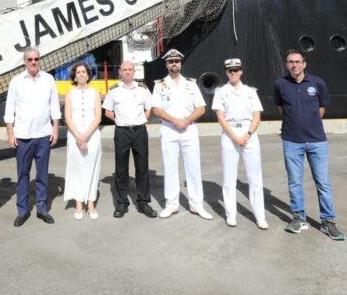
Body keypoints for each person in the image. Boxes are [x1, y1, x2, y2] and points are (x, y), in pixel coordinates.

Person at [274, 49, 345, 241]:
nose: (294, 65)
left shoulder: (317, 83)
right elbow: (282, 108)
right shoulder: (280, 84)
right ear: (287, 64)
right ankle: (299, 217)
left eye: (298, 61)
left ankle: (328, 222)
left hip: (317, 141)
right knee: (295, 182)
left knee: (323, 183)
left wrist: (309, 123)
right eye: (290, 62)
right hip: (291, 141)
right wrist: (295, 124)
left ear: (304, 64)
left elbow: (322, 107)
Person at [151, 49, 213, 220]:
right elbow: (156, 109)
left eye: (177, 61)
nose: (174, 64)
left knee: (193, 167)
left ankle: (197, 205)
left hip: (189, 130)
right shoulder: (159, 85)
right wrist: (175, 121)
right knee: (169, 168)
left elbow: (201, 108)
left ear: (181, 63)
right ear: (166, 64)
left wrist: (185, 121)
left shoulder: (191, 84)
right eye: (170, 61)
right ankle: (171, 205)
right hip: (169, 130)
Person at [4, 47, 61, 227]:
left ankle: (42, 209)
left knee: (42, 174)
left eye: (36, 59)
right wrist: (10, 132)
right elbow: (9, 108)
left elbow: (54, 106)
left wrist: (56, 129)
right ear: (25, 61)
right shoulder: (16, 81)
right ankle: (22, 210)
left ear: (39, 59)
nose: (33, 62)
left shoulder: (48, 79)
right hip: (23, 136)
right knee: (22, 174)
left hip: (43, 134)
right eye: (30, 59)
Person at [212, 58, 268, 229]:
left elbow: (257, 116)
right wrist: (235, 136)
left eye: (236, 70)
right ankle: (231, 214)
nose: (233, 73)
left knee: (255, 177)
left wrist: (248, 133)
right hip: (230, 134)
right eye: (230, 70)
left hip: (249, 133)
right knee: (229, 178)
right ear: (226, 72)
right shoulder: (221, 92)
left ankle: (260, 216)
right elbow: (220, 117)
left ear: (241, 71)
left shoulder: (251, 91)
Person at [102, 60, 156, 219]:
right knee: (121, 169)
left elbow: (150, 108)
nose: (127, 72)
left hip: (139, 131)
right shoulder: (114, 91)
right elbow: (107, 112)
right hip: (122, 132)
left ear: (134, 72)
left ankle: (143, 201)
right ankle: (121, 203)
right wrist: (120, 119)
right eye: (124, 69)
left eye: (130, 69)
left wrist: (143, 118)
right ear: (119, 72)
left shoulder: (143, 89)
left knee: (142, 167)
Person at [63, 61, 102, 220]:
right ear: (74, 75)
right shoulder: (70, 94)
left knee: (92, 167)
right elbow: (67, 117)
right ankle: (79, 201)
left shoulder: (95, 93)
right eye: (78, 72)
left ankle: (91, 201)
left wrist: (86, 135)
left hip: (92, 135)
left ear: (88, 75)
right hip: (74, 136)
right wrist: (79, 136)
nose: (81, 75)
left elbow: (98, 117)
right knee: (77, 168)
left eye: (84, 72)